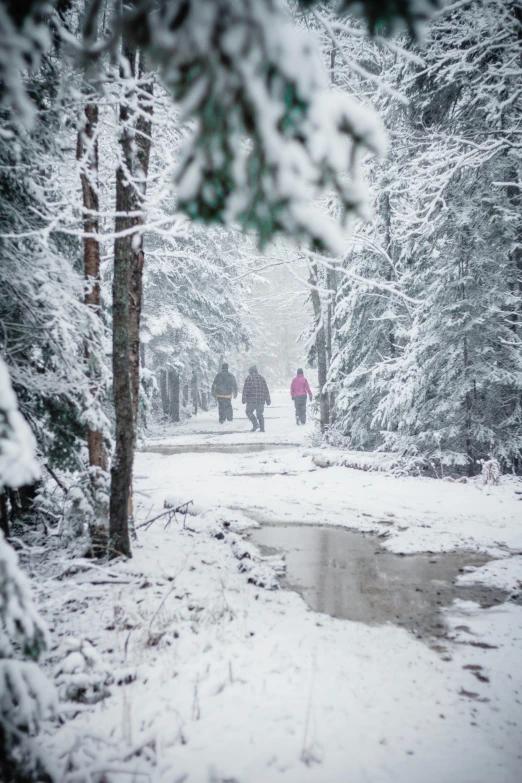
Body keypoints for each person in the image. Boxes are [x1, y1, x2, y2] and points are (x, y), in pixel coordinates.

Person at [242, 365, 271, 432]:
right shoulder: (262, 378)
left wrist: (244, 399)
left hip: (251, 400)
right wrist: (268, 400)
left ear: (251, 371)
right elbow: (266, 390)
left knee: (248, 412)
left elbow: (245, 389)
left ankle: (255, 424)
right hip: (261, 400)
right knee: (260, 414)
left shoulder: (249, 378)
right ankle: (262, 428)